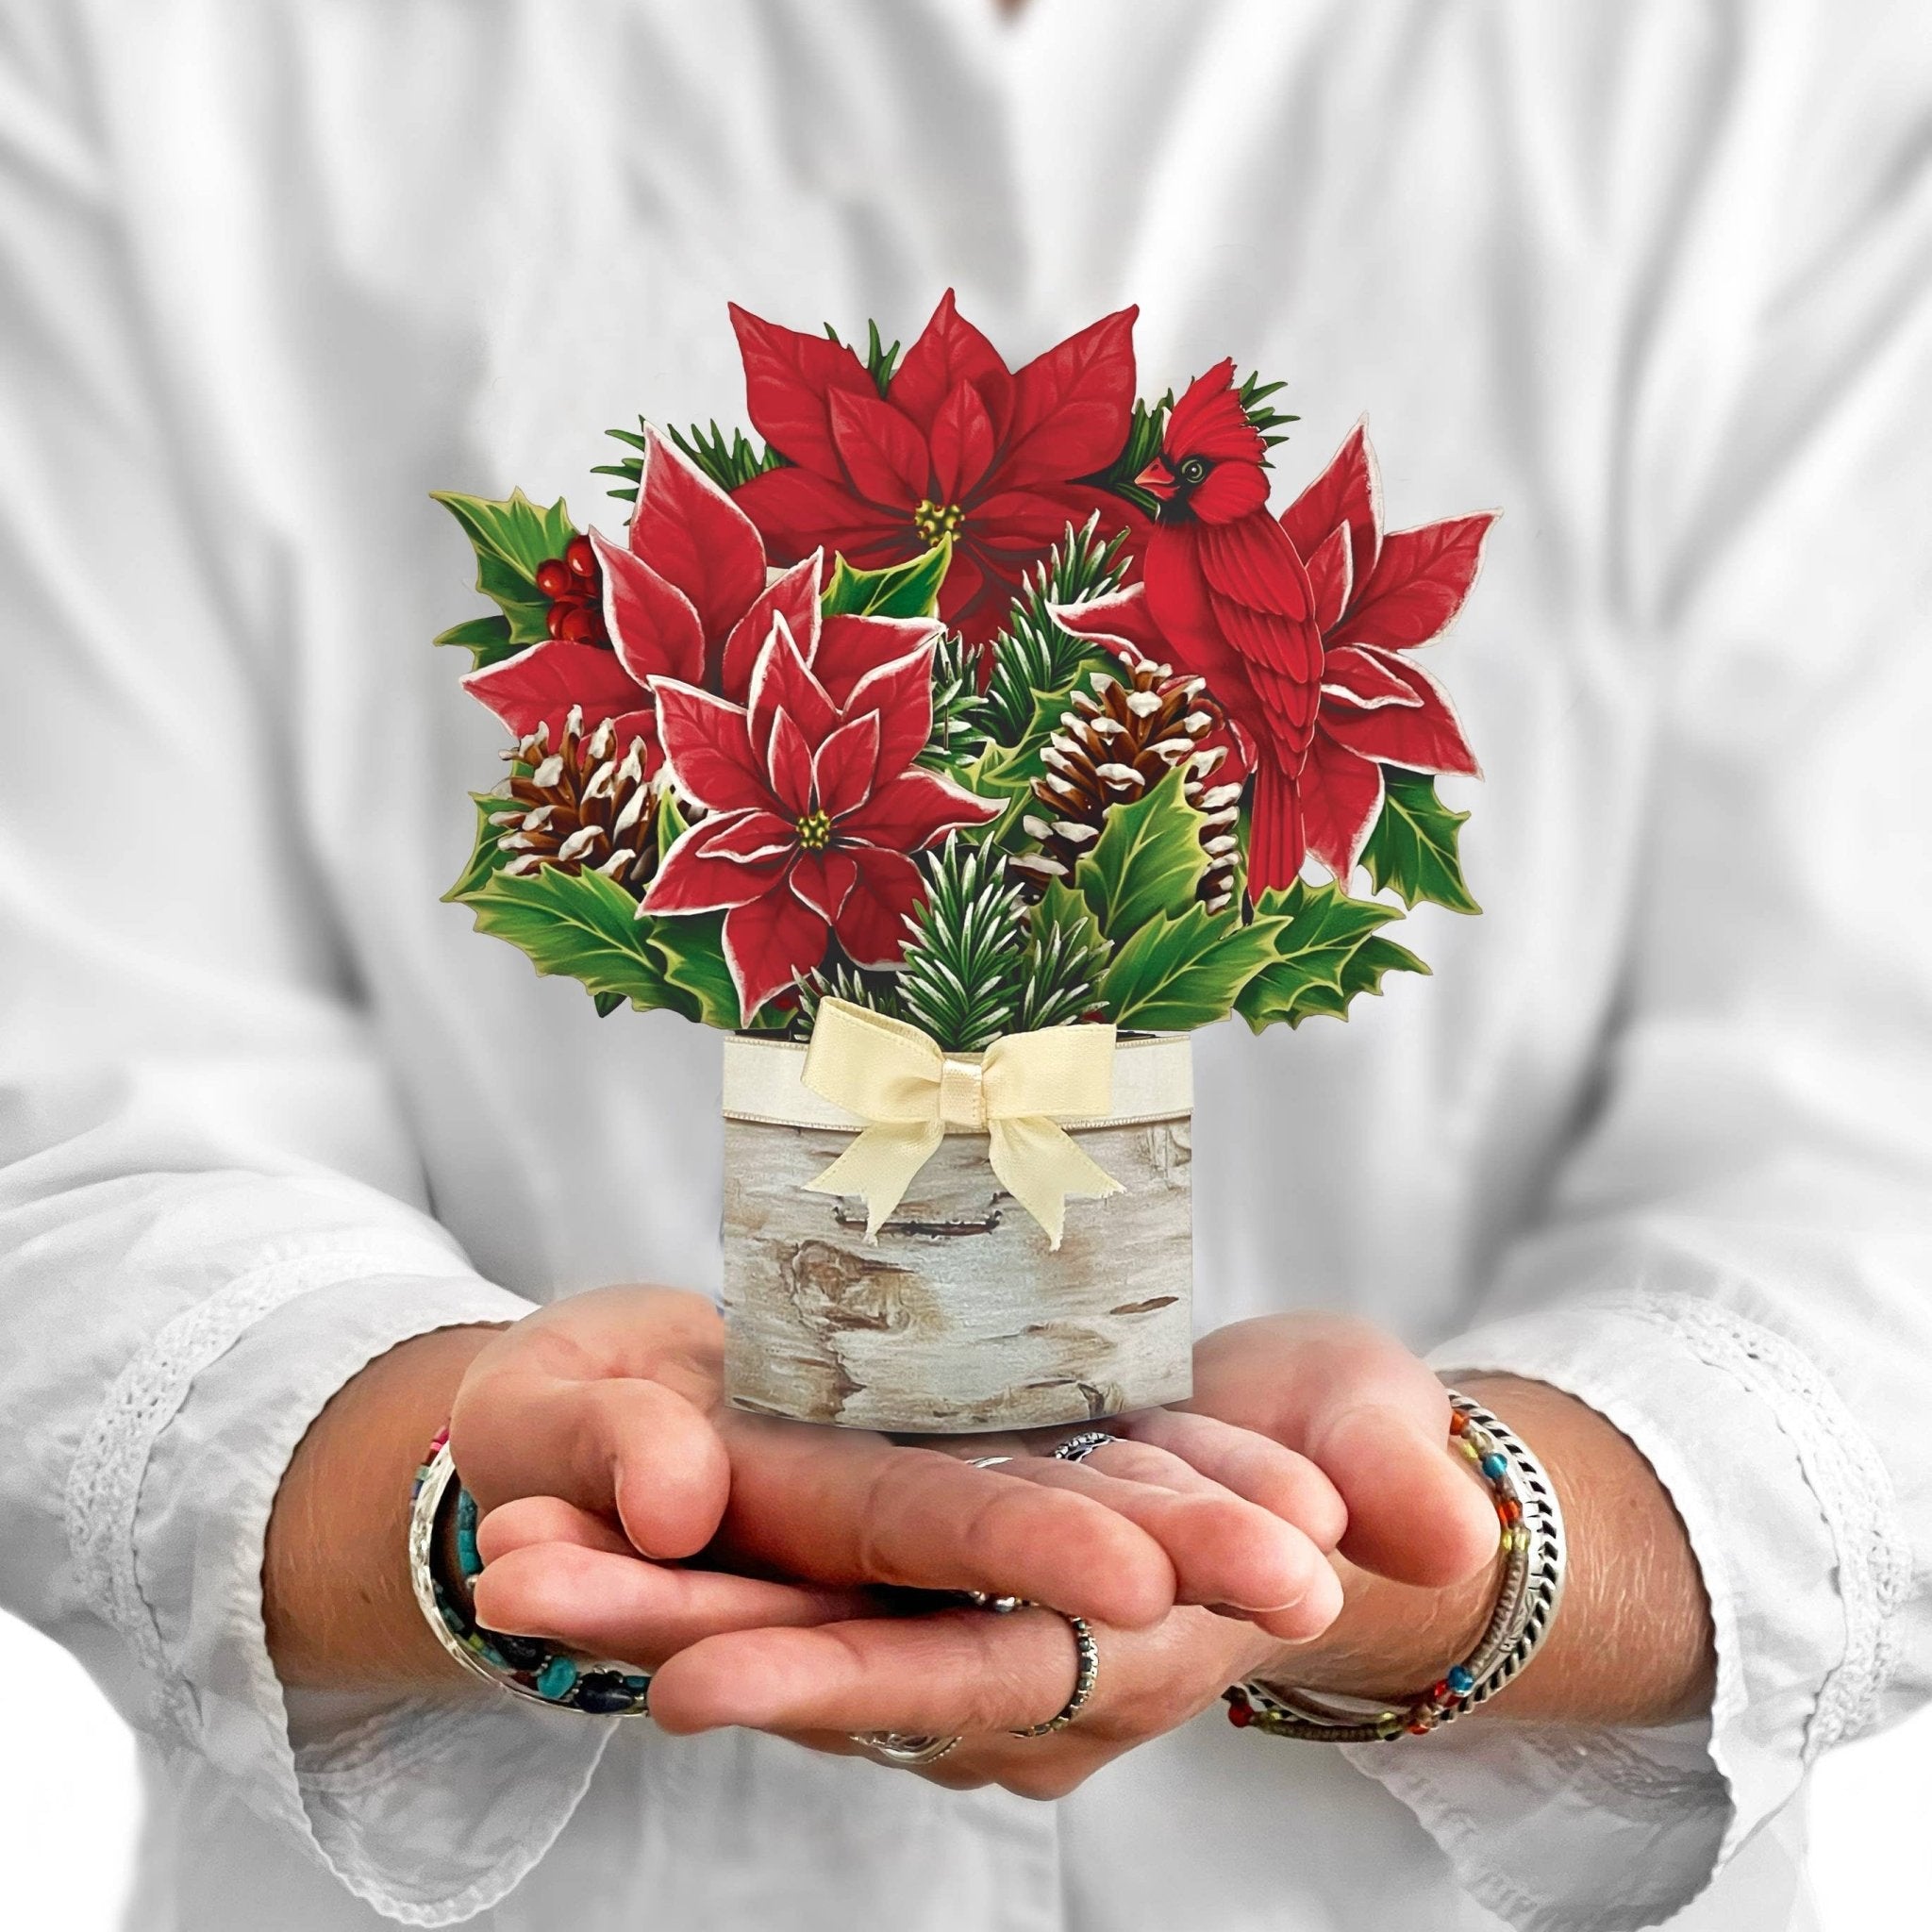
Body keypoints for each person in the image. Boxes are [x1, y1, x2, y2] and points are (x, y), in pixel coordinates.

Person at [2, 3, 1927, 1928]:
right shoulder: (154, 51)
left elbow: (1870, 1164)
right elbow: (75, 1136)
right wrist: (469, 1503)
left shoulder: (1793, 65)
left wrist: (1467, 1543)